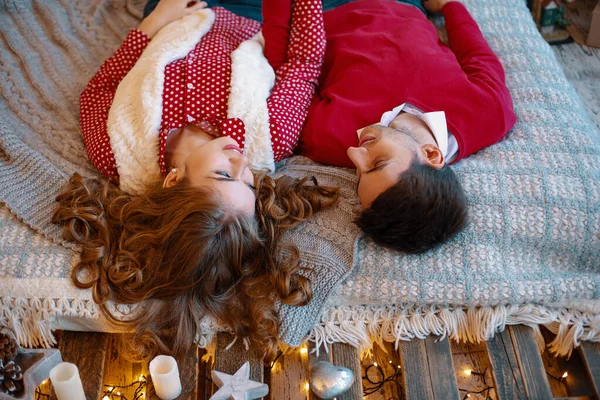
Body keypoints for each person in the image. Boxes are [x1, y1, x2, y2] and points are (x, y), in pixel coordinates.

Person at [52, 0, 339, 362]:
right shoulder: (272, 136)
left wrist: (153, 24)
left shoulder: (117, 151)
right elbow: (303, 66)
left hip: (177, 13)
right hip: (251, 14)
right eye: (249, 184)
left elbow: (99, 90)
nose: (240, 162)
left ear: (173, 180)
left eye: (223, 174)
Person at [296, 0, 518, 254]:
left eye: (358, 175)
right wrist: (449, 6)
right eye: (378, 163)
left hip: (318, 11)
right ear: (431, 154)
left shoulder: (324, 139)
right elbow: (476, 52)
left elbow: (298, 73)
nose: (353, 154)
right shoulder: (490, 113)